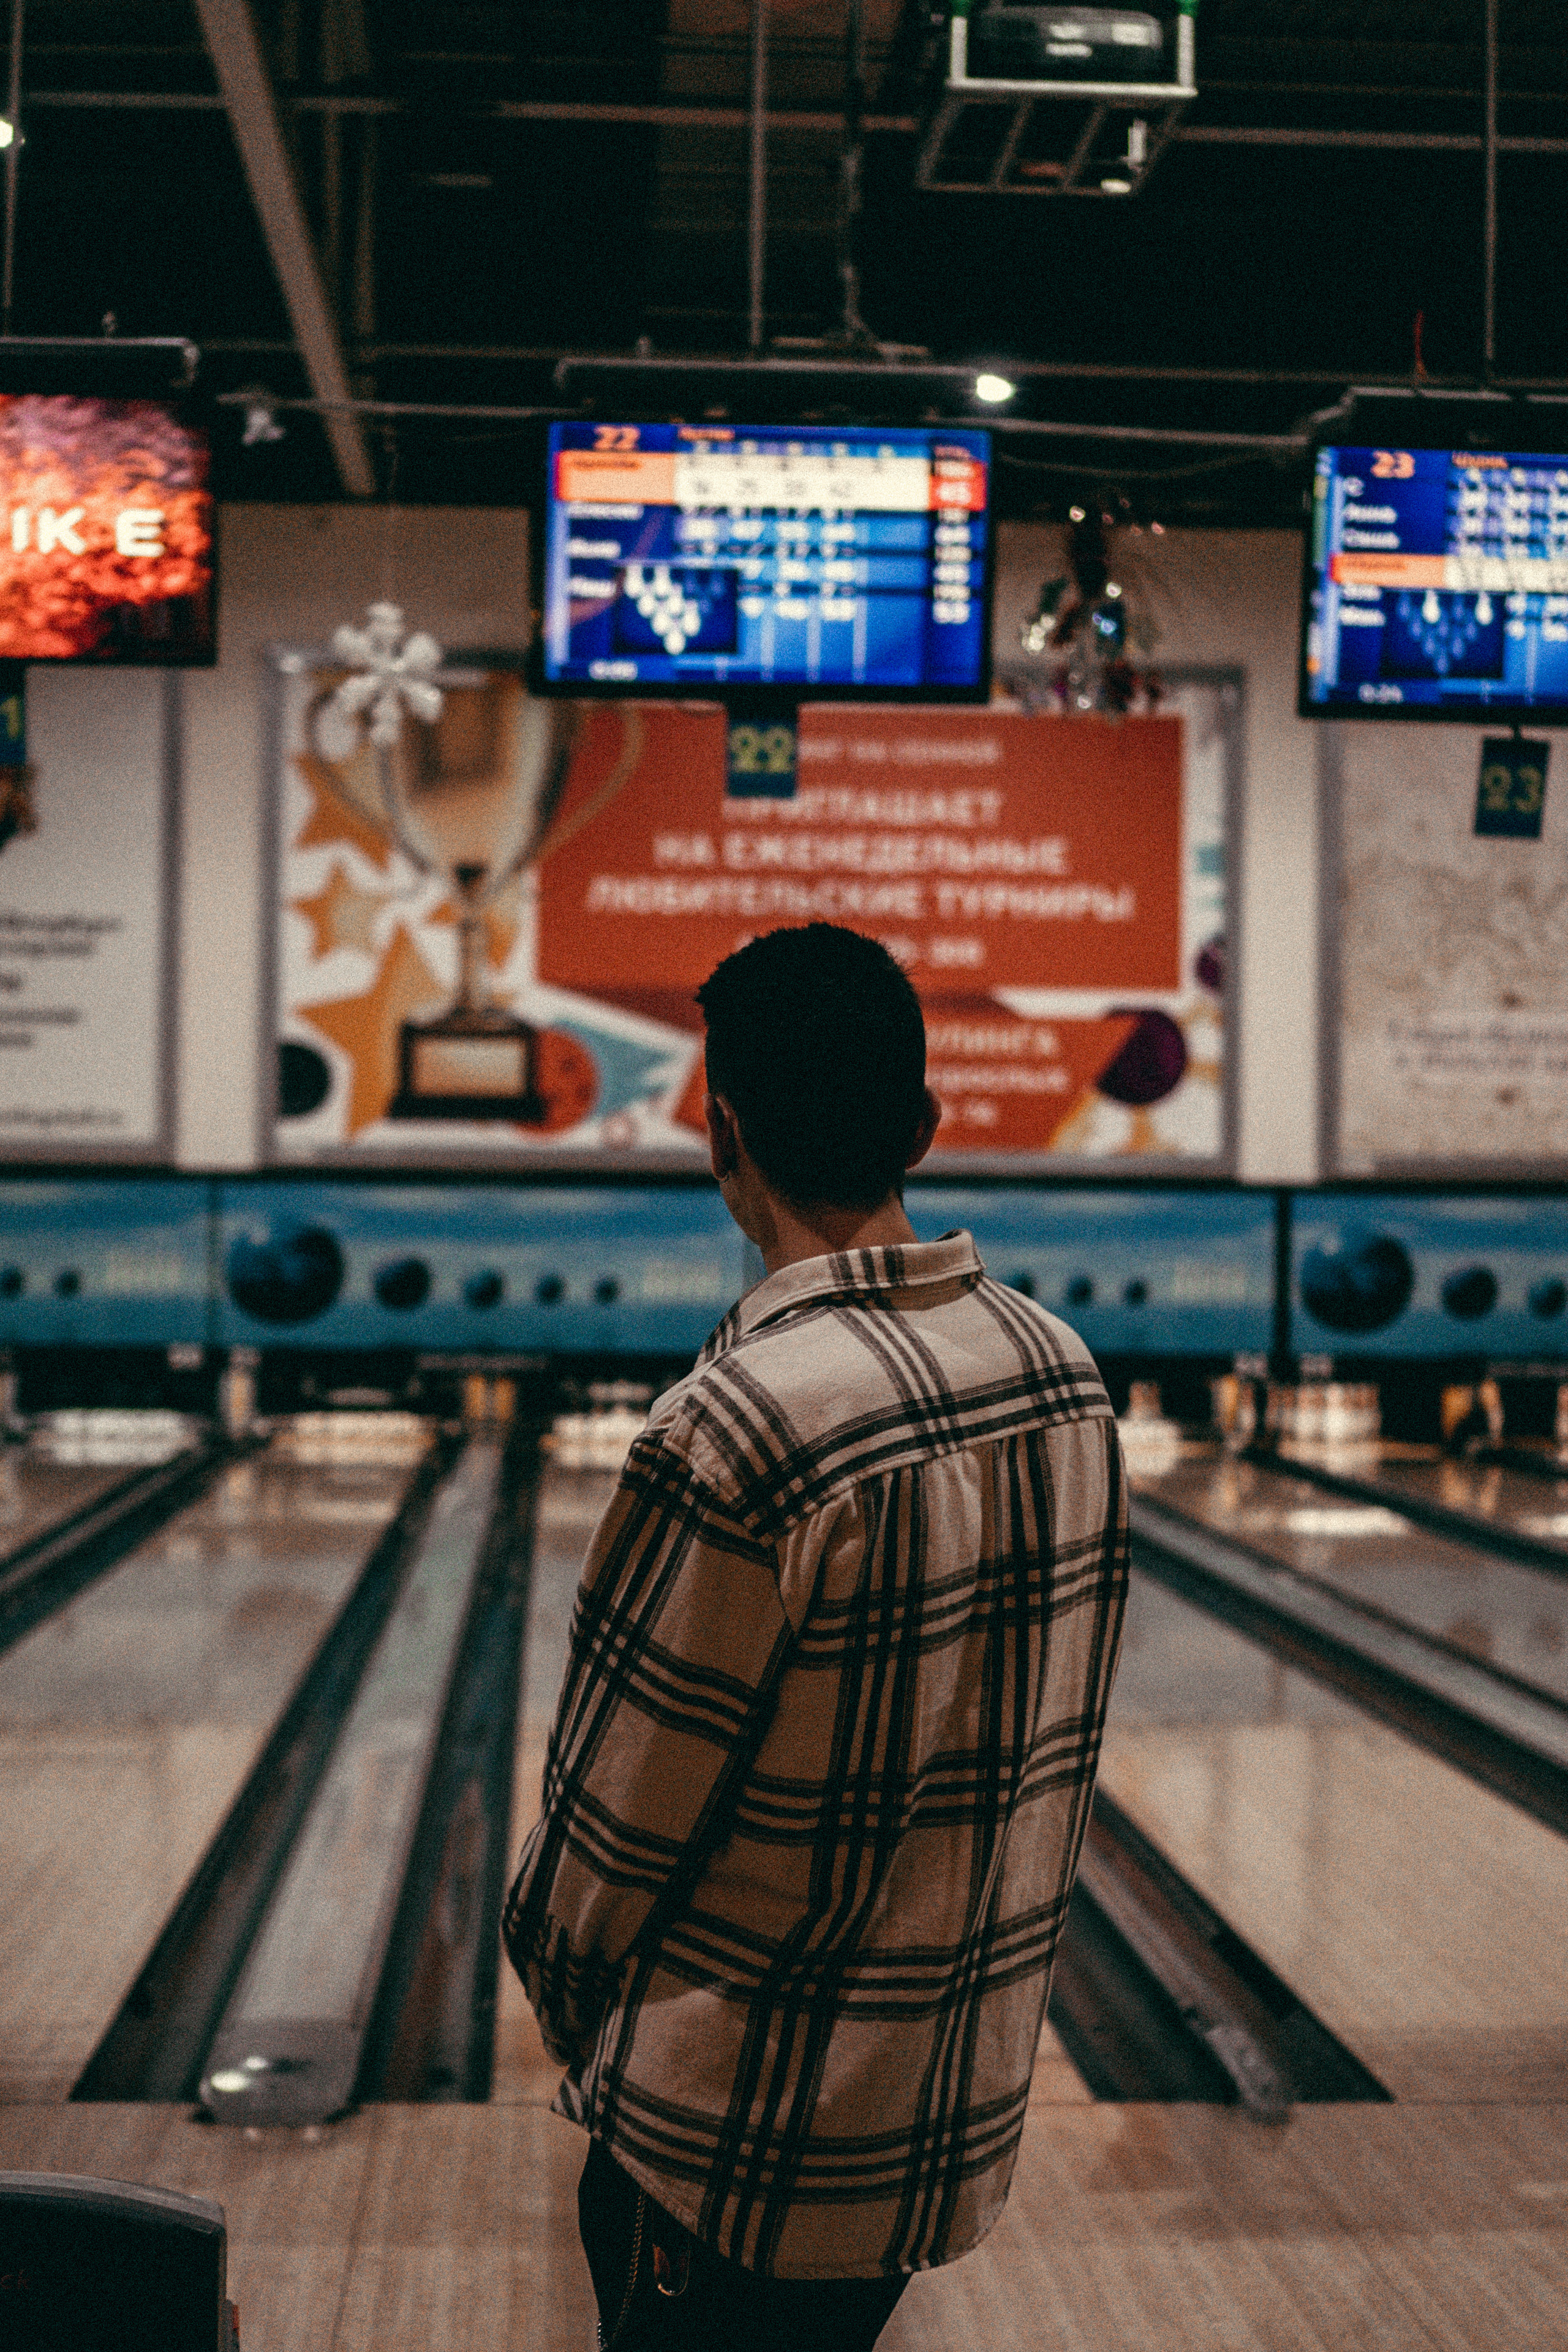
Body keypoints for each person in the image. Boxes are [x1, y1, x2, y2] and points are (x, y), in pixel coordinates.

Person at [503, 922, 1128, 2350]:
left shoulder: (731, 1432)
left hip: (726, 2156)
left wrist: (567, 2011)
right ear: (923, 1125)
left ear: (718, 1132)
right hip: (935, 2127)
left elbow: (603, 1843)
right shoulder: (1064, 1376)